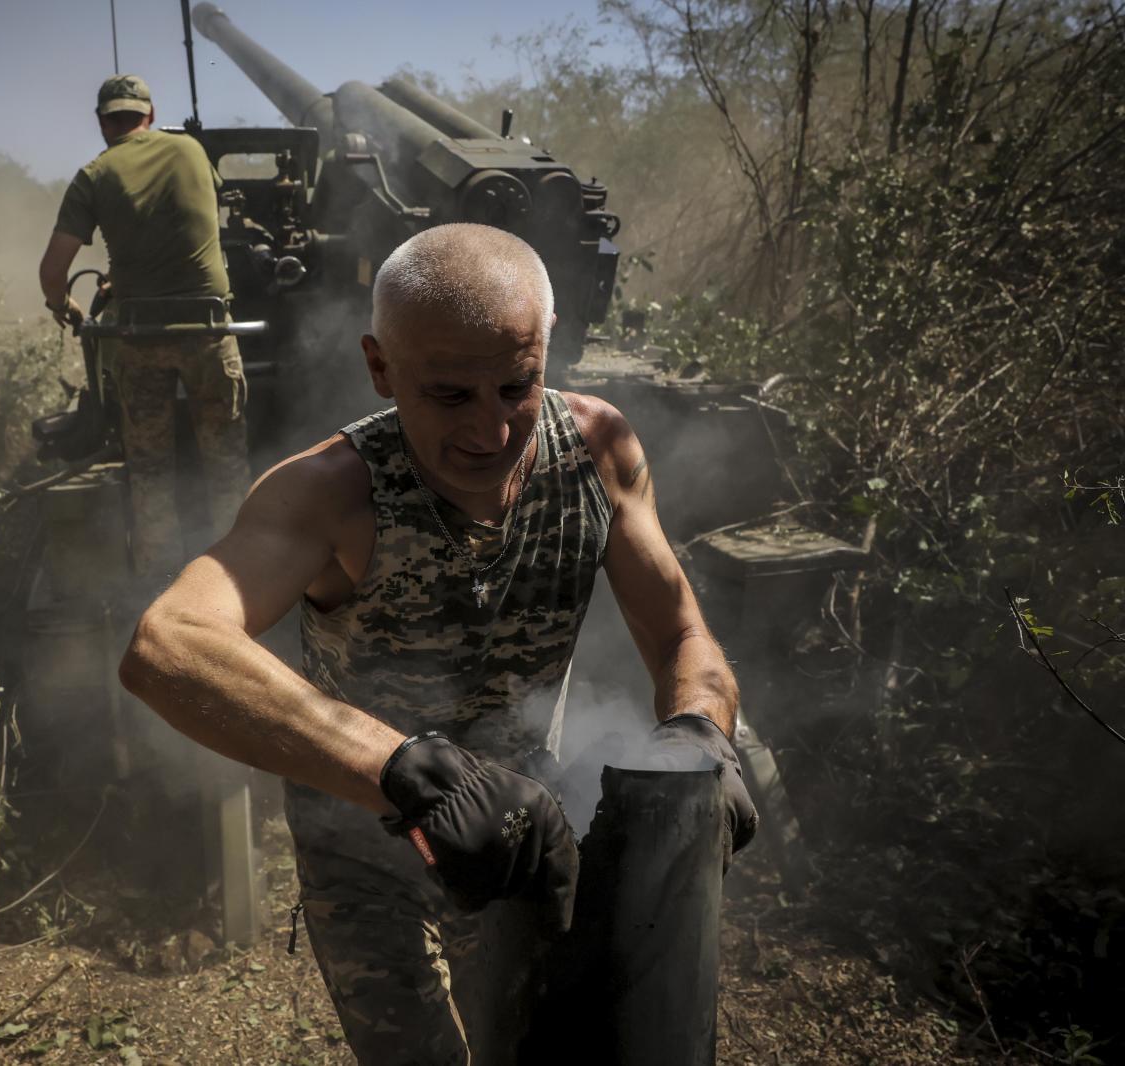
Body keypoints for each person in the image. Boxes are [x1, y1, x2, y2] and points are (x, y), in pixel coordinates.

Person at [118, 223, 757, 1064]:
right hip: (363, 851)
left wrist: (703, 729)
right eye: (450, 395)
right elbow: (168, 645)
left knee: (535, 1047)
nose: (489, 434)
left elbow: (681, 630)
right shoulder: (332, 493)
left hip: (519, 839)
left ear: (547, 353)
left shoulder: (597, 453)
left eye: (515, 388)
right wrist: (409, 773)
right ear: (381, 367)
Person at [38, 74, 250, 585]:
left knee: (151, 471)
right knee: (226, 464)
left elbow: (52, 271)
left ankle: (163, 587)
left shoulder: (94, 174)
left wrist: (65, 307)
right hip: (208, 331)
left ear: (102, 121)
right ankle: (244, 576)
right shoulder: (192, 151)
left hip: (140, 338)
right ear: (149, 115)